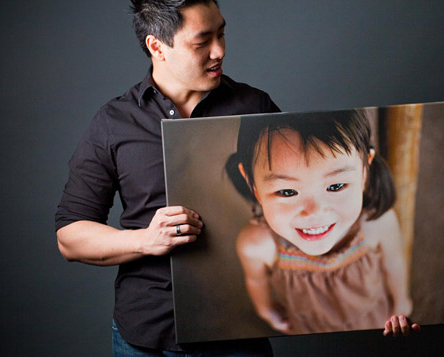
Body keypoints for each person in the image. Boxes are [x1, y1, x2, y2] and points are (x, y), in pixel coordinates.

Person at [55, 0, 280, 354]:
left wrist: (384, 299)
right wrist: (145, 240)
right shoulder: (115, 122)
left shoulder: (256, 108)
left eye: (221, 34)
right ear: (157, 47)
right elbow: (70, 237)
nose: (219, 51)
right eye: (202, 41)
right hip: (146, 337)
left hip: (239, 335)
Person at [225, 110, 420, 337]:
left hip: (374, 323)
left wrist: (401, 303)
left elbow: (394, 263)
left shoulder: (376, 224)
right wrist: (266, 309)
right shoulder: (257, 245)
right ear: (251, 182)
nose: (315, 212)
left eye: (336, 186)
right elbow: (256, 281)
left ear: (365, 171)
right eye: (287, 191)